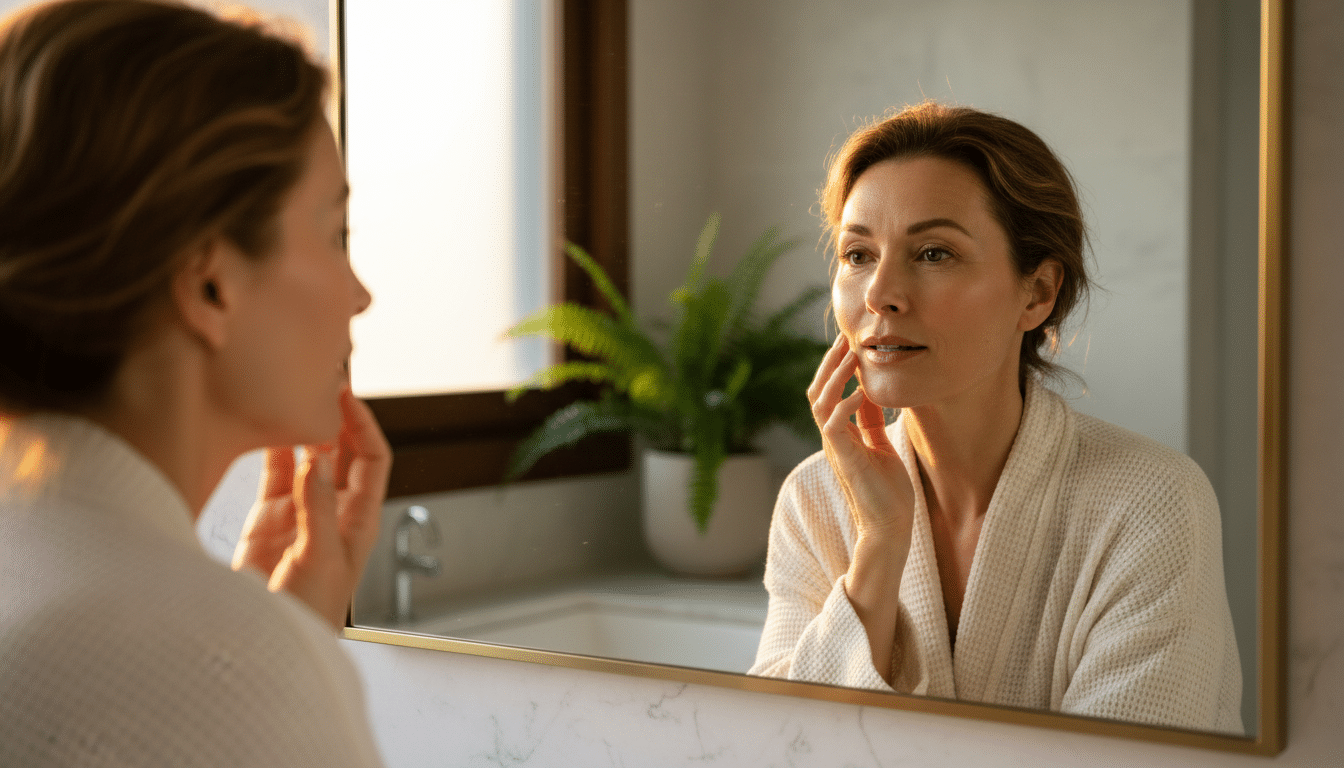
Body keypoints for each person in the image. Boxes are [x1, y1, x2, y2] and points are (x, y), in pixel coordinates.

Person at [748, 101, 1243, 734]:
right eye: (857, 254)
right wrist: (880, 539)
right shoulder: (815, 498)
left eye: (934, 254)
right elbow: (778, 743)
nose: (879, 294)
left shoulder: (1151, 503)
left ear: (1037, 293)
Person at [0, 1, 390, 764]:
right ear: (210, 284)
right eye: (336, 234)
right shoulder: (233, 668)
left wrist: (285, 630)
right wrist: (273, 654)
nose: (361, 296)